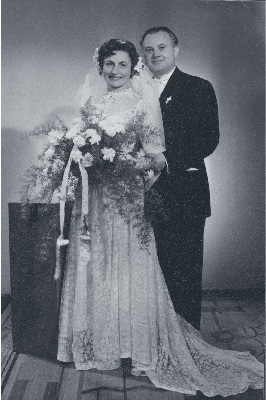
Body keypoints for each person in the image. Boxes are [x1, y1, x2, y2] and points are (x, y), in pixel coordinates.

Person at [57, 39, 263, 397]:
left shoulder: (142, 102)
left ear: (133, 68)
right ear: (100, 67)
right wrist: (81, 158)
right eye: (110, 64)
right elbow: (78, 149)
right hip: (95, 198)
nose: (115, 71)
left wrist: (124, 170)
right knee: (98, 266)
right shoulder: (89, 103)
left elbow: (155, 155)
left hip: (126, 199)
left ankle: (138, 344)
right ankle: (104, 343)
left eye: (123, 65)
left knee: (131, 267)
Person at [141, 27, 220, 330]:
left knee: (184, 272)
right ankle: (152, 343)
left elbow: (208, 138)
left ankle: (187, 343)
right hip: (141, 195)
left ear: (176, 49)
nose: (155, 54)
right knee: (148, 273)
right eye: (148, 49)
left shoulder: (198, 87)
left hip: (185, 192)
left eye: (162, 47)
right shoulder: (135, 91)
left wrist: (166, 159)